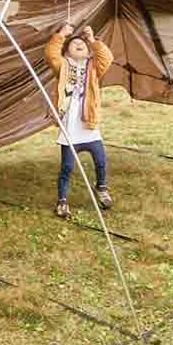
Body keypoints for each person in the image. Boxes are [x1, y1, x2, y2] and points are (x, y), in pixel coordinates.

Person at [44, 24, 114, 219]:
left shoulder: (93, 67)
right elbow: (51, 54)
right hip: (70, 129)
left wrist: (91, 39)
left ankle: (101, 187)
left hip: (89, 125)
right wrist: (61, 35)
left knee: (101, 161)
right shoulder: (63, 66)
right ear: (66, 51)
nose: (78, 44)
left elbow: (107, 57)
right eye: (73, 43)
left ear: (87, 51)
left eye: (81, 43)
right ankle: (62, 201)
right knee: (66, 167)